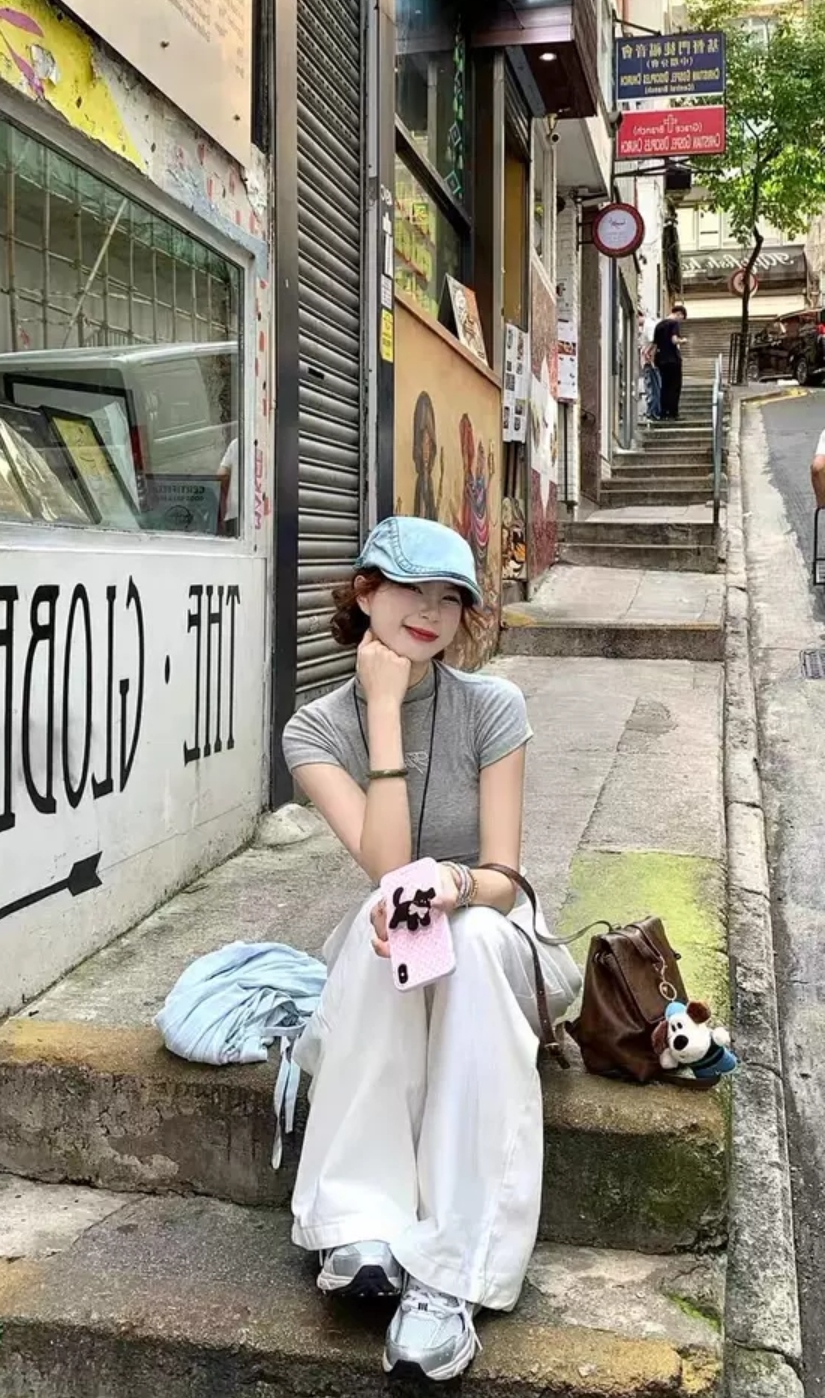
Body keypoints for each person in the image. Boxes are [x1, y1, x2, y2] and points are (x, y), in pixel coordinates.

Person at [280, 516, 583, 1383]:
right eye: (411, 589)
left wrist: (453, 883)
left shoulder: (493, 707)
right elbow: (386, 867)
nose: (431, 612)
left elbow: (503, 877)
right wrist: (382, 713)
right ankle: (360, 1226)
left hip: (490, 937)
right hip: (398, 948)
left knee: (472, 933)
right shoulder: (313, 732)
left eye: (450, 598)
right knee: (386, 924)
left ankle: (454, 1273)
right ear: (365, 591)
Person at [653, 304, 688, 419]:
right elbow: (674, 340)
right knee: (675, 386)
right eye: (681, 318)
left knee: (664, 386)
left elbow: (655, 344)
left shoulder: (659, 325)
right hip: (672, 359)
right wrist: (683, 340)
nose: (680, 321)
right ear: (679, 314)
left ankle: (664, 413)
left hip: (661, 359)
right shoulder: (674, 323)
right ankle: (673, 413)